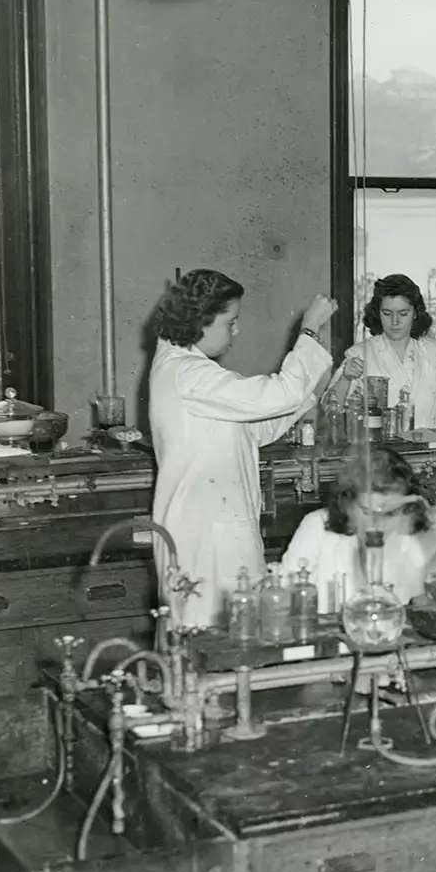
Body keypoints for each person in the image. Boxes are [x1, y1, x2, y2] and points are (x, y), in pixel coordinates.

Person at [148, 269, 336, 627]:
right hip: (207, 534)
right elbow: (276, 394)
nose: (237, 330)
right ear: (201, 321)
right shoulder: (189, 375)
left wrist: (309, 395)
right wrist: (309, 332)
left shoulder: (187, 372)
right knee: (213, 638)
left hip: (217, 527)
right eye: (230, 321)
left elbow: (255, 430)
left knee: (234, 632)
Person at [280, 448, 435, 613]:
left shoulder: (413, 537)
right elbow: (283, 598)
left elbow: (430, 603)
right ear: (348, 503)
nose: (377, 524)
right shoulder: (317, 526)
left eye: (390, 513)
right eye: (367, 512)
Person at [337, 274, 436, 431]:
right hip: (381, 451)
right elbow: (330, 409)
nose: (395, 322)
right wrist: (345, 378)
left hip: (429, 449)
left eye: (403, 314)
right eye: (387, 313)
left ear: (415, 313)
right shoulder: (359, 353)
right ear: (377, 313)